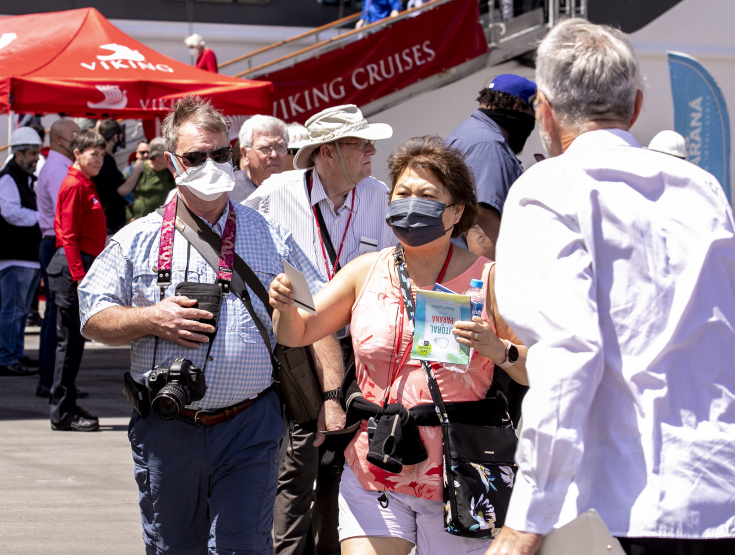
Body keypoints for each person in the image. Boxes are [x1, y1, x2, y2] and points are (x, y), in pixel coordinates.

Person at [488, 19, 735, 555]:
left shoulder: (547, 189)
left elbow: (569, 352)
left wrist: (525, 520)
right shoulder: (704, 190)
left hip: (613, 509)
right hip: (716, 500)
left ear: (544, 111)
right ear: (637, 107)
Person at [78, 95, 344, 553]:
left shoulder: (267, 232)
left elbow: (317, 310)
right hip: (168, 427)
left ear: (233, 154)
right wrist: (151, 318)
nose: (210, 164)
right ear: (172, 163)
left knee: (244, 547)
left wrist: (333, 395)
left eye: (219, 154)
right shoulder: (137, 238)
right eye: (195, 157)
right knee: (173, 547)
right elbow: (92, 316)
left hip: (250, 425)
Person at [269, 135, 529, 555]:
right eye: (403, 193)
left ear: (457, 210)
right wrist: (283, 306)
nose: (411, 203)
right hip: (377, 460)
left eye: (426, 195)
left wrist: (498, 349)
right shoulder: (365, 271)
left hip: (459, 468)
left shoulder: (491, 278)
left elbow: (534, 368)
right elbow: (296, 333)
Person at [244, 103, 397, 555]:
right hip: (295, 349)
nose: (372, 150)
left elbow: (392, 272)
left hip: (358, 351)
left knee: (344, 464)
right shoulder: (275, 193)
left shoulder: (377, 195)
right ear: (327, 152)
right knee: (295, 464)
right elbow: (238, 247)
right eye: (360, 142)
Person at [46, 129, 108, 432]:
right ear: (77, 155)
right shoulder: (74, 184)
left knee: (73, 344)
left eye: (101, 153)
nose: (98, 159)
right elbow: (68, 237)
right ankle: (63, 411)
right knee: (69, 345)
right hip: (73, 268)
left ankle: (65, 406)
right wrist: (79, 278)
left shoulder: (84, 183)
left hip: (78, 267)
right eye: (93, 154)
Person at [445, 74, 537, 260]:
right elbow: (479, 228)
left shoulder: (468, 132)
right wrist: (489, 286)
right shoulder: (489, 145)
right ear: (518, 107)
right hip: (477, 276)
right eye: (532, 111)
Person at [0, 127, 42, 377]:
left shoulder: (21, 178)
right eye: (33, 153)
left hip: (17, 255)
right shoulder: (8, 179)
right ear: (18, 154)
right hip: (12, 255)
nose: (36, 158)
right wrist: (44, 218)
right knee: (10, 310)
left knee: (10, 310)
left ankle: (7, 353)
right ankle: (5, 356)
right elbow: (12, 213)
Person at [34, 118, 80, 397]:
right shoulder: (58, 170)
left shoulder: (58, 167)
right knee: (58, 315)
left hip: (56, 241)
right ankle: (51, 379)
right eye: (75, 135)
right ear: (62, 141)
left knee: (58, 315)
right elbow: (66, 217)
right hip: (58, 242)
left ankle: (52, 379)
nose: (80, 138)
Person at [230, 115, 289, 204]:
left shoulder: (300, 188)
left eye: (280, 146)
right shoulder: (227, 192)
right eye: (265, 148)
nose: (274, 155)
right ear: (245, 154)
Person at [118, 137, 175, 222]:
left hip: (160, 223)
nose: (171, 158)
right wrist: (130, 218)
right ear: (156, 157)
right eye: (167, 155)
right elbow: (121, 197)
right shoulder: (138, 169)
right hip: (137, 223)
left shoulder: (169, 173)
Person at [93, 119, 129, 236]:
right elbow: (122, 189)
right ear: (115, 137)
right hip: (110, 226)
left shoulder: (105, 158)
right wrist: (138, 169)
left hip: (109, 224)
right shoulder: (105, 159)